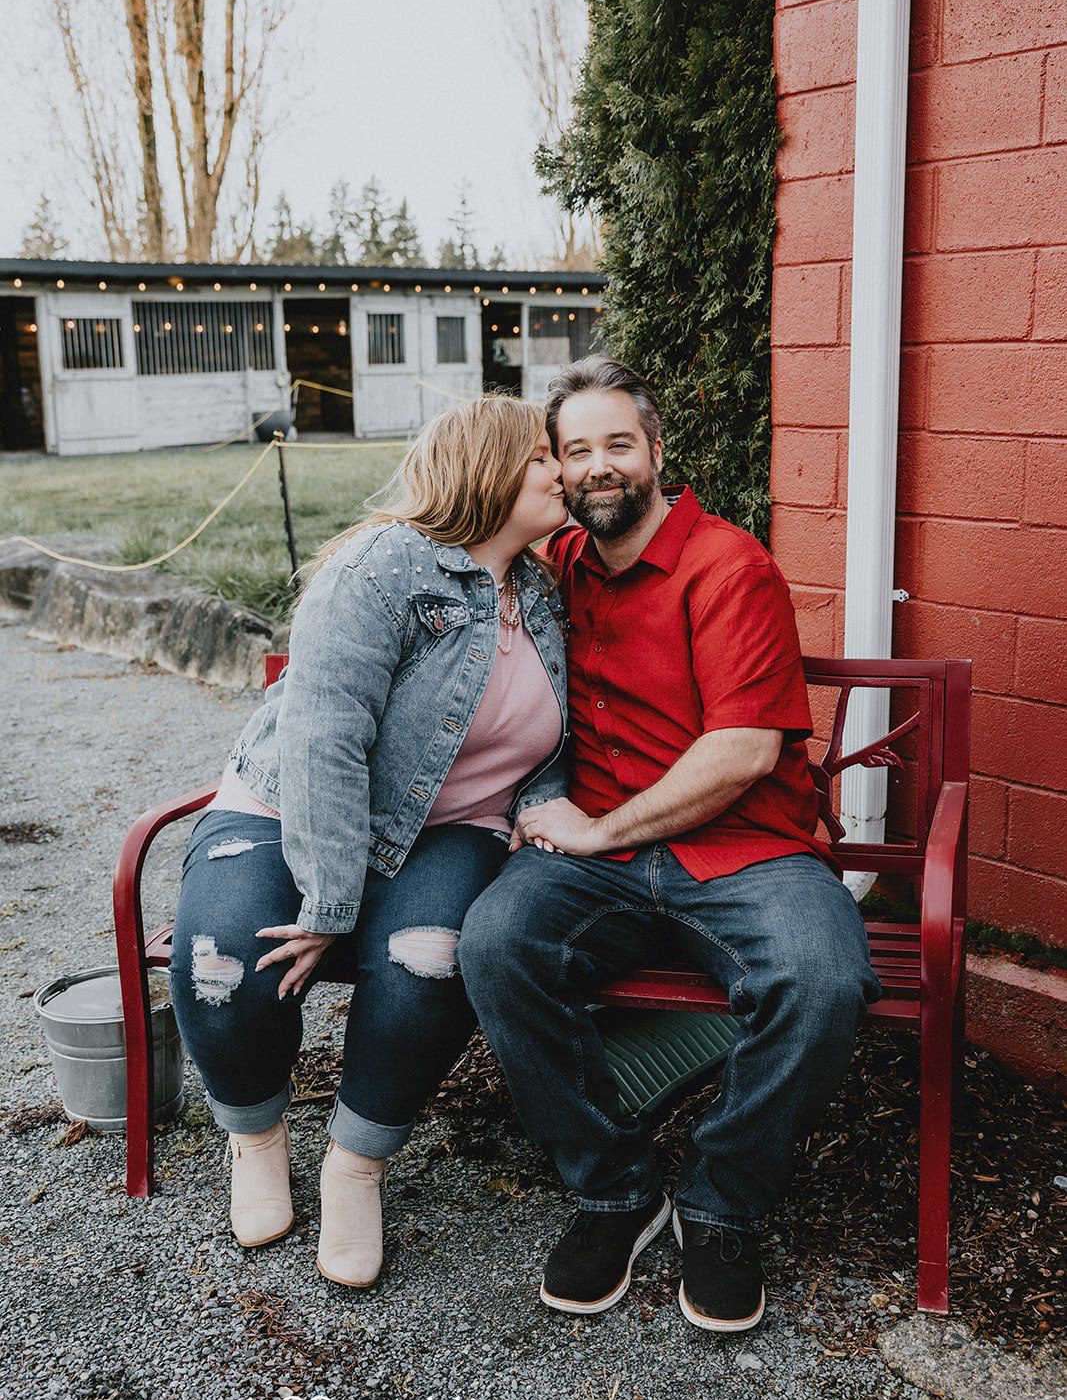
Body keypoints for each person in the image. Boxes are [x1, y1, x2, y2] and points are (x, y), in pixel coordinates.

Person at [457, 357, 881, 1333]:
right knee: (494, 945)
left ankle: (720, 1199)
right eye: (576, 450)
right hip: (598, 862)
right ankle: (613, 1187)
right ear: (554, 471)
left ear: (656, 451)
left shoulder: (728, 566)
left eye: (617, 443)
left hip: (744, 846)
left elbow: (739, 752)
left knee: (821, 980)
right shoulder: (554, 569)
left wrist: (598, 827)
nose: (598, 466)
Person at [169, 396, 569, 1288]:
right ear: (487, 469)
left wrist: (545, 806)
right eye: (540, 455)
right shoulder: (385, 567)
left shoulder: (545, 594)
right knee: (223, 958)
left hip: (453, 828)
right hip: (287, 811)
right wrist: (328, 898)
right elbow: (322, 736)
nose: (559, 470)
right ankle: (258, 1138)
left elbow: (553, 734)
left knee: (431, 958)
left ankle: (355, 1165)